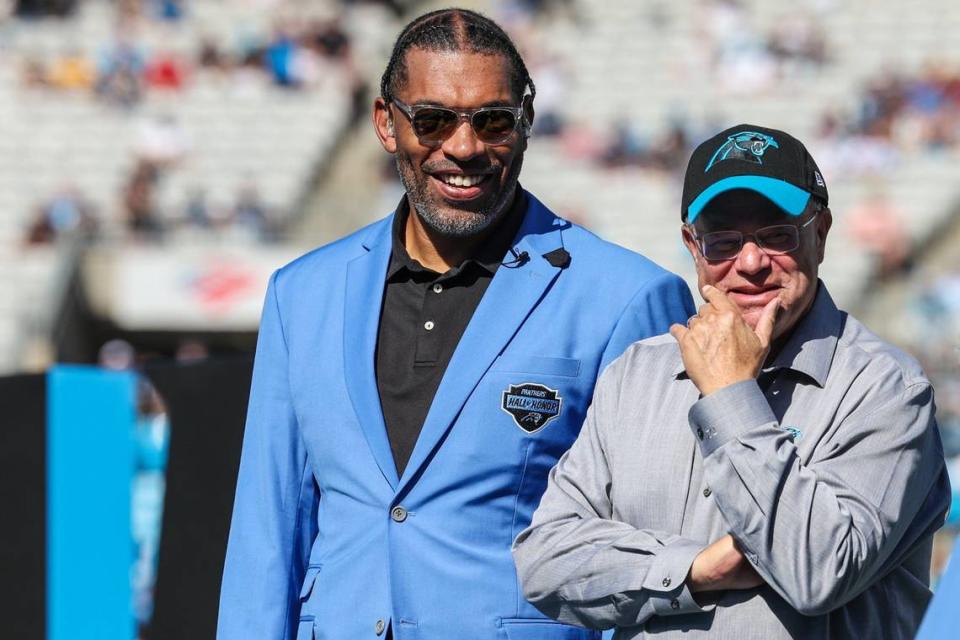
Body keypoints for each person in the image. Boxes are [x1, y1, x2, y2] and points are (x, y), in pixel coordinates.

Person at [217, 9, 694, 640]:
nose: (464, 147)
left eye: (492, 119)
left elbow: (654, 551)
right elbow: (267, 531)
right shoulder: (300, 295)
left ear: (525, 120)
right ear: (387, 124)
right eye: (433, 119)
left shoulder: (627, 297)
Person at [513, 124, 951, 639]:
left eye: (776, 235)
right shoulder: (638, 372)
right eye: (722, 240)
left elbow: (818, 572)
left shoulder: (885, 390)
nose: (749, 263)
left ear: (822, 233)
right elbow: (543, 562)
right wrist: (694, 570)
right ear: (691, 247)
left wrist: (729, 395)